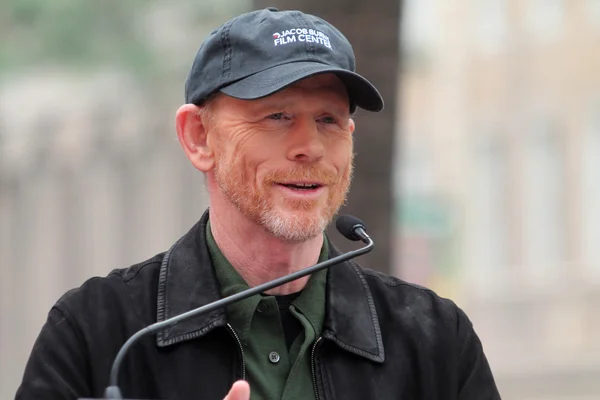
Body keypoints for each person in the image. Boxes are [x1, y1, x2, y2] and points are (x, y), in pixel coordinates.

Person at [16, 7, 500, 400]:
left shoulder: (434, 339)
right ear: (198, 137)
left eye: (328, 120)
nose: (308, 146)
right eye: (277, 115)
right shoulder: (98, 334)